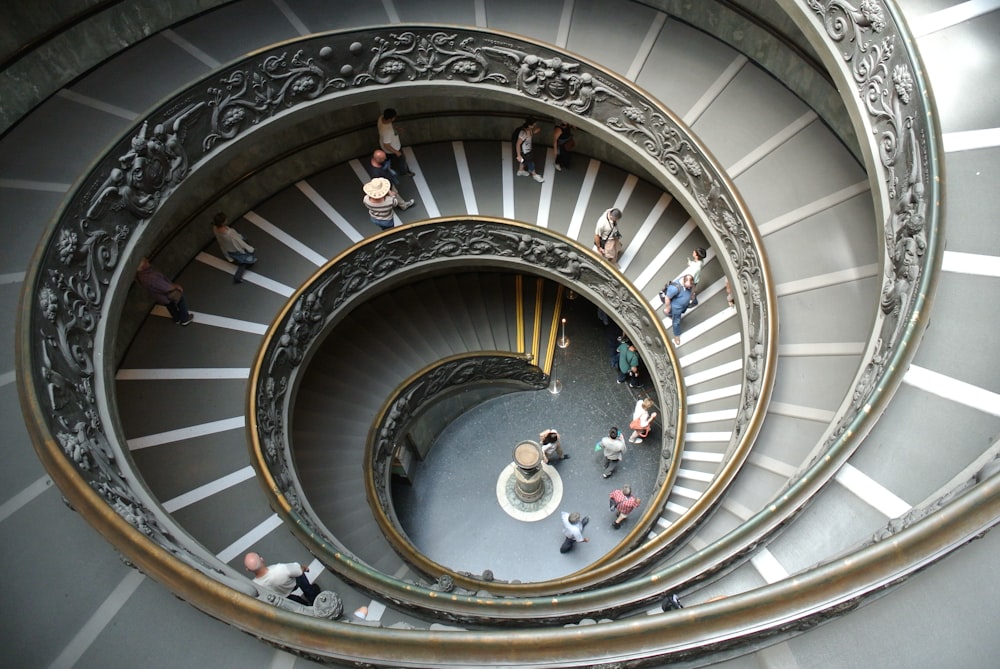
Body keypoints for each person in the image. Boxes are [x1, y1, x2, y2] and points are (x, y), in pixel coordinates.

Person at [243, 551, 320, 605]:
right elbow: (299, 570)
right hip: (291, 585)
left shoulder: (254, 585)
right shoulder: (279, 569)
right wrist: (304, 568)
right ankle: (312, 596)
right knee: (300, 576)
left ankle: (305, 606)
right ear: (262, 559)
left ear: (247, 569)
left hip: (281, 598)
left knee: (295, 603)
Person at [136, 257, 194, 326]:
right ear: (143, 267)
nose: (148, 261)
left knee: (170, 305)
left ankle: (177, 318)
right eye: (145, 262)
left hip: (160, 296)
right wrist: (176, 286)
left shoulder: (140, 276)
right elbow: (165, 287)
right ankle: (185, 319)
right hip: (166, 294)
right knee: (181, 300)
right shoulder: (150, 277)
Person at [212, 212, 257, 283]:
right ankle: (238, 277)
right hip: (236, 249)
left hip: (228, 249)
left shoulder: (215, 229)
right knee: (245, 261)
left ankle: (238, 274)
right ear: (223, 222)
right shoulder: (229, 233)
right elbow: (239, 241)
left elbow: (221, 242)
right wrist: (250, 249)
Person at [660, 274, 695, 346]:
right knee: (676, 322)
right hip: (676, 307)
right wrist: (668, 308)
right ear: (684, 282)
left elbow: (692, 287)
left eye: (690, 287)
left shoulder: (689, 283)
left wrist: (692, 295)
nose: (689, 288)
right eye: (688, 286)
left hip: (683, 305)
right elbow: (667, 298)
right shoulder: (674, 288)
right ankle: (677, 336)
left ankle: (669, 313)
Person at [377, 108, 413, 176]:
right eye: (394, 118)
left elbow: (389, 126)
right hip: (393, 149)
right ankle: (404, 172)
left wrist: (396, 128)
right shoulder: (387, 131)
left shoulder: (381, 118)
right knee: (401, 160)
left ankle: (389, 167)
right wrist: (397, 152)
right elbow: (386, 145)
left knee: (389, 159)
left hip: (383, 147)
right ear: (390, 119)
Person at [514, 118, 544, 183]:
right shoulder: (523, 133)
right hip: (525, 151)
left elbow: (529, 135)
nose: (535, 125)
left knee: (524, 161)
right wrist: (518, 155)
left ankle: (520, 170)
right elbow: (518, 144)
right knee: (531, 162)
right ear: (529, 125)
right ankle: (534, 174)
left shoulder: (528, 130)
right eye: (533, 124)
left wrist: (534, 132)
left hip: (526, 150)